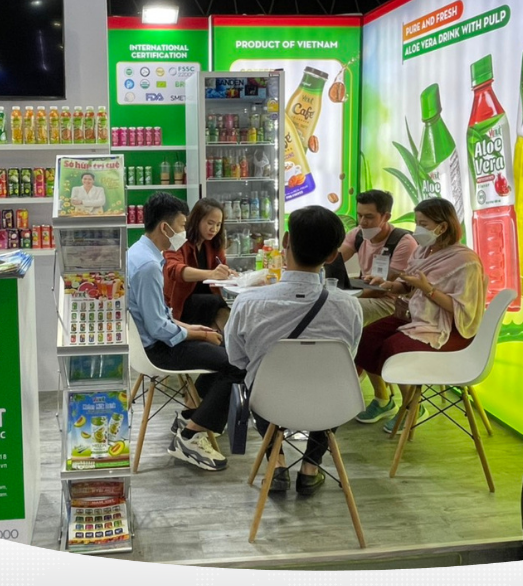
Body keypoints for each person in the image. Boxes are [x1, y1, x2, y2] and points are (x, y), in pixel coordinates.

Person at [225, 206, 363, 495]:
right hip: (330, 405)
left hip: (269, 404)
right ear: (332, 256)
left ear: (286, 241)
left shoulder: (247, 303)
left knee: (259, 376)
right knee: (328, 379)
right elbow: (346, 360)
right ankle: (311, 468)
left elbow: (236, 358)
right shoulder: (349, 306)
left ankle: (276, 465)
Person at [127, 193, 246, 472]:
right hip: (158, 350)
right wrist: (200, 335)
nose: (184, 231)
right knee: (237, 363)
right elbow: (158, 328)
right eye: (182, 225)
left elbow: (158, 316)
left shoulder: (138, 253)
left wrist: (190, 327)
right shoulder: (148, 266)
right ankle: (191, 435)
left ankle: (195, 415)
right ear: (165, 227)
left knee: (224, 352)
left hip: (155, 341)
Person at [354, 197, 486, 433]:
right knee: (366, 339)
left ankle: (412, 407)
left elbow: (463, 308)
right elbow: (409, 286)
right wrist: (387, 285)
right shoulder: (423, 251)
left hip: (447, 327)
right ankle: (383, 400)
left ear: (442, 226)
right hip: (413, 316)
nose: (417, 229)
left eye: (423, 224)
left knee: (394, 348)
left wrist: (428, 289)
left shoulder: (465, 261)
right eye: (416, 223)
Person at [336, 189, 418, 424]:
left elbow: (385, 289)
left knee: (346, 314)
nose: (363, 222)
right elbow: (335, 260)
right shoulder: (357, 234)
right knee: (344, 315)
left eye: (369, 217)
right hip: (365, 296)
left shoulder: (403, 243)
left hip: (394, 304)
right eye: (360, 215)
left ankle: (395, 400)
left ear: (386, 216)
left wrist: (348, 296)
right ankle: (379, 396)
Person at [163, 197, 233, 332]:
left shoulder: (214, 243)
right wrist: (211, 274)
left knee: (218, 308)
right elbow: (174, 269)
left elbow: (221, 266)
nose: (214, 229)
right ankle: (234, 340)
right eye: (210, 223)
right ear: (197, 220)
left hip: (208, 302)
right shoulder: (180, 240)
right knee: (216, 304)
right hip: (182, 304)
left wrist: (228, 273)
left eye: (218, 225)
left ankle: (227, 339)